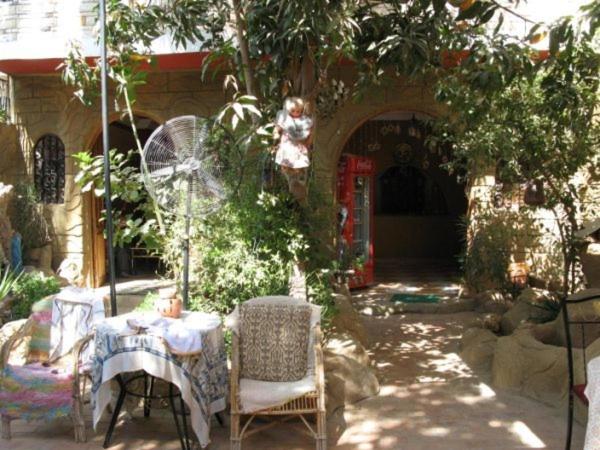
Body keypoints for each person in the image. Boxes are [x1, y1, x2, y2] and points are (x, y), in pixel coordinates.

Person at [273, 97, 313, 199]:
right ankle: (287, 170)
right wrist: (276, 134)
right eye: (293, 111)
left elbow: (308, 134)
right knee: (287, 162)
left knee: (298, 164)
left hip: (299, 146)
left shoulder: (304, 121)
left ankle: (296, 173)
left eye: (298, 111)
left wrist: (307, 141)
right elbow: (278, 128)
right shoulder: (285, 119)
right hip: (287, 146)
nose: (295, 113)